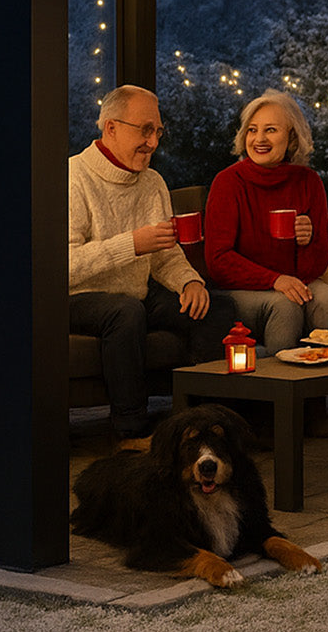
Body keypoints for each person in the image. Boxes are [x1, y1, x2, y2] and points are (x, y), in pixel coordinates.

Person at [68, 84, 235, 440]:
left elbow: (164, 254)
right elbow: (62, 266)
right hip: (75, 295)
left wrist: (190, 282)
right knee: (126, 312)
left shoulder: (152, 182)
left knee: (215, 307)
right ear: (110, 127)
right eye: (144, 130)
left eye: (157, 131)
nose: (153, 142)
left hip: (136, 290)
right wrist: (131, 244)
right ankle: (132, 433)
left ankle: (201, 425)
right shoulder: (73, 177)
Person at [204, 89, 328, 354]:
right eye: (252, 130)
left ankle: (314, 389)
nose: (259, 139)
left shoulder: (308, 181)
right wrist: (275, 279)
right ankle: (278, 389)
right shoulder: (228, 182)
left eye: (271, 130)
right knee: (284, 306)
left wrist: (308, 241)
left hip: (289, 282)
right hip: (237, 290)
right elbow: (218, 262)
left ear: (291, 137)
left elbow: (317, 266)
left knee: (325, 297)